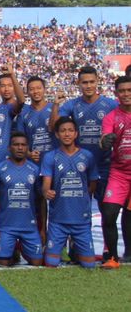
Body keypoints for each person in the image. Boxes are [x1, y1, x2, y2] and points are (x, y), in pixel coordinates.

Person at [51, 66, 116, 205]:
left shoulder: (110, 104)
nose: (88, 85)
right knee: (79, 207)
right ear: (78, 83)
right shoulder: (72, 105)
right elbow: (54, 126)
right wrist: (56, 105)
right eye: (85, 82)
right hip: (80, 164)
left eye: (92, 82)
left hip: (105, 164)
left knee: (107, 210)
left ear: (97, 81)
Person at [41, 117, 98, 269]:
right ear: (57, 135)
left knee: (89, 265)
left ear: (76, 134)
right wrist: (47, 191)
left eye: (70, 130)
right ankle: (63, 246)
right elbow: (46, 183)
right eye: (63, 131)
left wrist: (83, 196)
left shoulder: (87, 156)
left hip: (81, 220)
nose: (67, 134)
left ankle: (75, 246)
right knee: (51, 264)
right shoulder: (50, 157)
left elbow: (92, 183)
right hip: (58, 220)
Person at [0, 132, 45, 266]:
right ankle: (11, 247)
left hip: (29, 227)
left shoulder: (35, 170)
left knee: (38, 262)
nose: (20, 148)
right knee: (2, 262)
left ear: (28, 148)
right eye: (16, 145)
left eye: (23, 145)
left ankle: (21, 248)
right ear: (9, 148)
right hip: (7, 227)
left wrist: (43, 229)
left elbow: (41, 200)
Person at [98, 75, 131, 268]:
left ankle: (129, 253)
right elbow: (103, 140)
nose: (126, 94)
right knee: (109, 213)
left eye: (129, 90)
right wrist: (106, 141)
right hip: (118, 173)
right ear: (116, 93)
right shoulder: (112, 116)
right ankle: (112, 257)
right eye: (122, 91)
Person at [16, 76, 57, 163]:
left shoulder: (55, 109)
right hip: (34, 163)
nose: (36, 92)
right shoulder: (23, 114)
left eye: (39, 88)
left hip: (54, 161)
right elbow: (20, 140)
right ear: (27, 92)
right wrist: (28, 154)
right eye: (32, 89)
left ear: (44, 89)